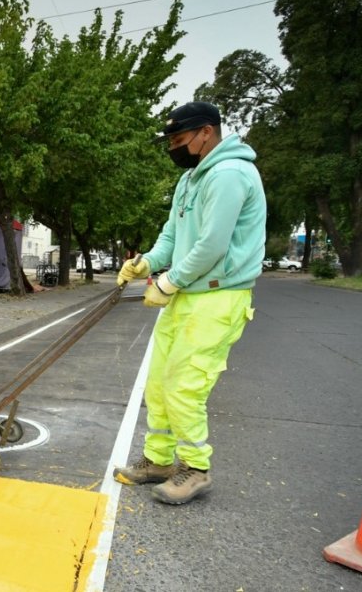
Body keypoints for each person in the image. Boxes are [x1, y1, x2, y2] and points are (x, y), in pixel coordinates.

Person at [114, 101, 266, 505]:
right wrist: (146, 262)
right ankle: (159, 461)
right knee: (158, 383)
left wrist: (168, 281)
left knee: (184, 385)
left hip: (218, 296)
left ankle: (195, 470)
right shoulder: (190, 180)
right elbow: (173, 237)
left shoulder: (230, 174)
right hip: (187, 296)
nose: (173, 148)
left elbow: (212, 245)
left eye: (179, 140)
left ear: (206, 133)